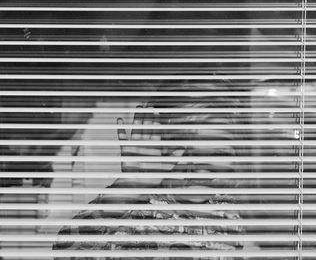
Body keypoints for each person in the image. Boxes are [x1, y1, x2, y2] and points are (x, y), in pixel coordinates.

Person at [53, 80, 248, 260]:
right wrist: (130, 187)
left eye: (219, 155)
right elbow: (69, 251)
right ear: (155, 147)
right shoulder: (139, 209)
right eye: (185, 152)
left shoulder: (226, 211)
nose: (200, 170)